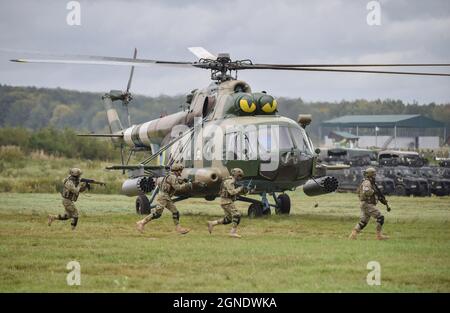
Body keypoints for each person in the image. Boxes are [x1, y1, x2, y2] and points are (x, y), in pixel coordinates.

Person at [136, 163, 192, 234]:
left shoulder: (170, 175)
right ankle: (141, 222)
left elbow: (176, 181)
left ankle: (179, 228)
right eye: (180, 170)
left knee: (175, 212)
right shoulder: (173, 177)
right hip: (163, 197)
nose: (181, 172)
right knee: (157, 214)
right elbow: (177, 187)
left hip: (166, 197)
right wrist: (187, 185)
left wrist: (184, 181)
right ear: (176, 170)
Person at [349, 167, 389, 240]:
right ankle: (379, 235)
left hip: (367, 204)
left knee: (363, 222)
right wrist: (374, 191)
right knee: (380, 217)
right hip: (367, 204)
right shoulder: (367, 182)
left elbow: (376, 194)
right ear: (371, 174)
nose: (375, 176)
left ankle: (353, 235)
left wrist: (382, 200)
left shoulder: (372, 183)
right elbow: (367, 192)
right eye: (374, 174)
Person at [207, 168, 248, 238]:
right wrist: (240, 189)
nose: (239, 178)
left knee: (228, 220)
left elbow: (232, 192)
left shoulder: (229, 180)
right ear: (235, 175)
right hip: (227, 202)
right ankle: (232, 232)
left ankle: (212, 223)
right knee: (237, 215)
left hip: (225, 201)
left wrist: (245, 191)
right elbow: (231, 192)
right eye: (239, 176)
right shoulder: (230, 181)